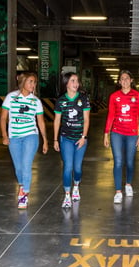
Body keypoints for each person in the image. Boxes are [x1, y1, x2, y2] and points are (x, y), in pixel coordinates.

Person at [0, 72, 48, 209]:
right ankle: (21, 185)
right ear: (23, 82)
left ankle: (24, 193)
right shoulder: (11, 97)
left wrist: (45, 139)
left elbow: (40, 121)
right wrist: (4, 135)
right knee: (19, 167)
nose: (33, 85)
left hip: (31, 136)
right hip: (14, 137)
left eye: (35, 82)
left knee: (26, 164)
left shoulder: (36, 101)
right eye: (30, 81)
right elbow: (3, 118)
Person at [104, 70, 139, 204]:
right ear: (119, 82)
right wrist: (106, 133)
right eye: (122, 79)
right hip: (116, 132)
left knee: (129, 162)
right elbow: (110, 115)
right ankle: (117, 191)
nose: (125, 81)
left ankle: (128, 184)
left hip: (132, 134)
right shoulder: (114, 96)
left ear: (131, 80)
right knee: (118, 162)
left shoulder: (138, 96)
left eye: (127, 78)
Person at [53, 72, 90, 208]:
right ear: (66, 83)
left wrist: (83, 137)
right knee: (68, 167)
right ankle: (67, 195)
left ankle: (76, 186)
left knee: (77, 168)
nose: (76, 83)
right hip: (65, 138)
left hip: (80, 138)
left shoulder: (83, 99)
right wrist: (55, 139)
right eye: (73, 81)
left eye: (77, 81)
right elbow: (57, 121)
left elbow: (86, 120)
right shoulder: (61, 100)